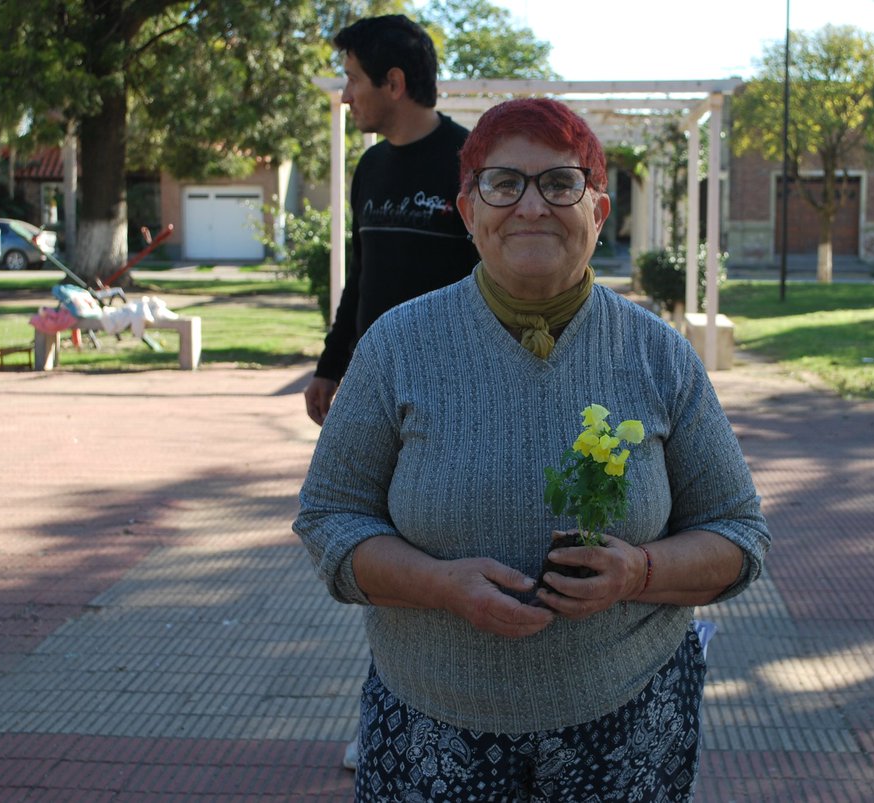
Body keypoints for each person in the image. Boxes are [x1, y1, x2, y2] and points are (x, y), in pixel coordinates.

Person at [294, 98, 770, 801]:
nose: (531, 205)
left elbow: (739, 533)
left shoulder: (659, 355)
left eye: (560, 183)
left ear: (599, 211)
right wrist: (439, 585)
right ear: (468, 211)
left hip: (628, 725)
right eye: (503, 183)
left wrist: (638, 571)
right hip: (434, 724)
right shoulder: (397, 345)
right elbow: (330, 516)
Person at [303, 14, 480, 426]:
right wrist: (330, 367)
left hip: (453, 392)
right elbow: (361, 273)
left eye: (353, 79)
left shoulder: (473, 163)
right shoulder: (370, 165)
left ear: (394, 83)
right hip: (376, 383)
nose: (346, 96)